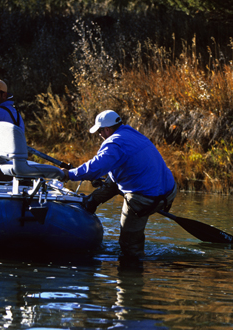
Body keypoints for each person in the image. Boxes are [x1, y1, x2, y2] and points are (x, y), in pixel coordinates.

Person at [58, 110, 177, 259]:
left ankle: (132, 274)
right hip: (168, 191)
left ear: (107, 129)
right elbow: (116, 165)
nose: (100, 135)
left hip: (144, 199)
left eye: (100, 131)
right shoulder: (131, 134)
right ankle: (91, 202)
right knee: (113, 178)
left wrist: (69, 174)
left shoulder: (114, 143)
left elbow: (95, 167)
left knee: (128, 245)